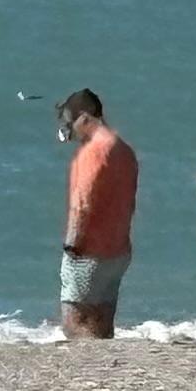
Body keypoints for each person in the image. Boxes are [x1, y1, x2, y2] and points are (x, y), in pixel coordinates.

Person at [55, 91, 137, 338]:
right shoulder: (124, 151)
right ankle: (108, 371)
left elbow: (82, 203)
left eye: (70, 124)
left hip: (89, 252)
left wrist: (71, 244)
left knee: (75, 323)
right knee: (102, 323)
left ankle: (85, 372)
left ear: (84, 118)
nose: (70, 133)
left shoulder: (93, 152)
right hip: (118, 251)